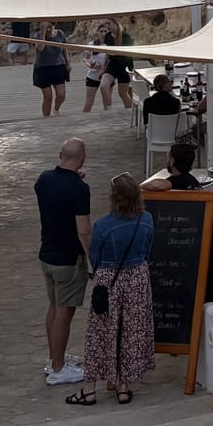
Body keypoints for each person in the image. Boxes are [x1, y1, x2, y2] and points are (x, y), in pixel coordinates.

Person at [71, 174, 155, 407]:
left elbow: (95, 255)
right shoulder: (146, 220)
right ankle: (124, 386)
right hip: (138, 277)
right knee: (130, 331)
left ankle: (90, 388)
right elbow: (148, 249)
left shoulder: (103, 226)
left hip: (109, 280)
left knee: (100, 333)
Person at [35, 139, 92, 386]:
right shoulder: (80, 189)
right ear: (83, 158)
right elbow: (83, 229)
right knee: (64, 314)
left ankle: (54, 358)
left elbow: (55, 192)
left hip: (47, 253)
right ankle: (58, 369)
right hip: (68, 258)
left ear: (60, 155)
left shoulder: (44, 179)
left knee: (54, 307)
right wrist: (92, 258)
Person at [33, 22, 70, 117]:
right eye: (46, 26)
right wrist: (43, 33)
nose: (49, 28)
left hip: (58, 66)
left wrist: (68, 62)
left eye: (50, 26)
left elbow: (64, 48)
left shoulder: (60, 33)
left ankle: (56, 109)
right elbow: (40, 48)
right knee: (48, 96)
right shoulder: (37, 35)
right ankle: (46, 117)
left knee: (61, 95)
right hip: (43, 67)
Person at [82, 43, 109, 114]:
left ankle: (107, 119)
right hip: (92, 76)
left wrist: (104, 67)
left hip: (106, 76)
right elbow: (85, 59)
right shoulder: (92, 44)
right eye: (101, 31)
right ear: (98, 32)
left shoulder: (109, 44)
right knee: (89, 102)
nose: (103, 33)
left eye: (105, 31)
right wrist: (91, 65)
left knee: (107, 102)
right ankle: (84, 119)